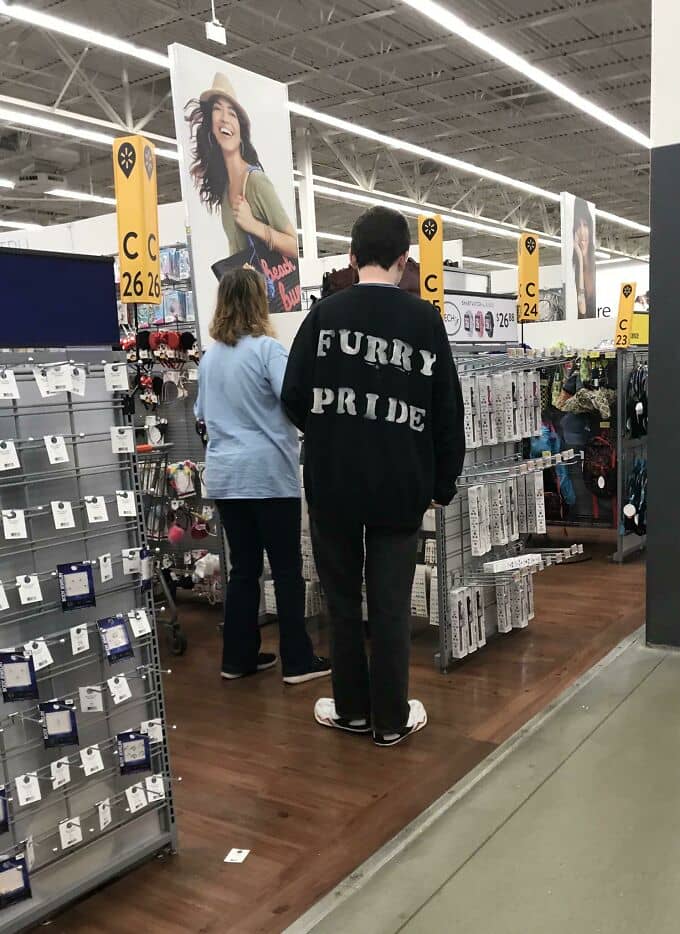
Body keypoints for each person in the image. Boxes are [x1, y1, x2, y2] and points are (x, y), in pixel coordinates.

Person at [282, 207, 465, 746]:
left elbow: (292, 396)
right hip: (400, 485)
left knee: (341, 602)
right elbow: (447, 411)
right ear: (404, 260)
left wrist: (331, 427)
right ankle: (389, 720)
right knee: (390, 606)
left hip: (333, 482)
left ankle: (352, 711)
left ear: (351, 256)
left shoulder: (322, 316)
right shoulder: (425, 321)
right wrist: (444, 483)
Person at [194, 268, 330, 685]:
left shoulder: (209, 358)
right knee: (286, 570)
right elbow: (296, 399)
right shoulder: (268, 350)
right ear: (258, 302)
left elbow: (201, 414)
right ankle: (297, 661)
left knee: (243, 569)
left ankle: (238, 658)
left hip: (225, 476)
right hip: (268, 474)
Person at [187, 73, 298, 259]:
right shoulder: (224, 191)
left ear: (240, 128)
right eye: (217, 109)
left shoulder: (256, 182)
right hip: (241, 278)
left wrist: (254, 225)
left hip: (262, 279)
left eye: (232, 113)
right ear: (211, 126)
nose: (224, 118)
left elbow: (293, 246)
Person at [572, 199, 596, 319]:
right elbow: (582, 309)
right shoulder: (573, 269)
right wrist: (580, 260)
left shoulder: (594, 266)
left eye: (585, 225)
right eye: (578, 226)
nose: (582, 232)